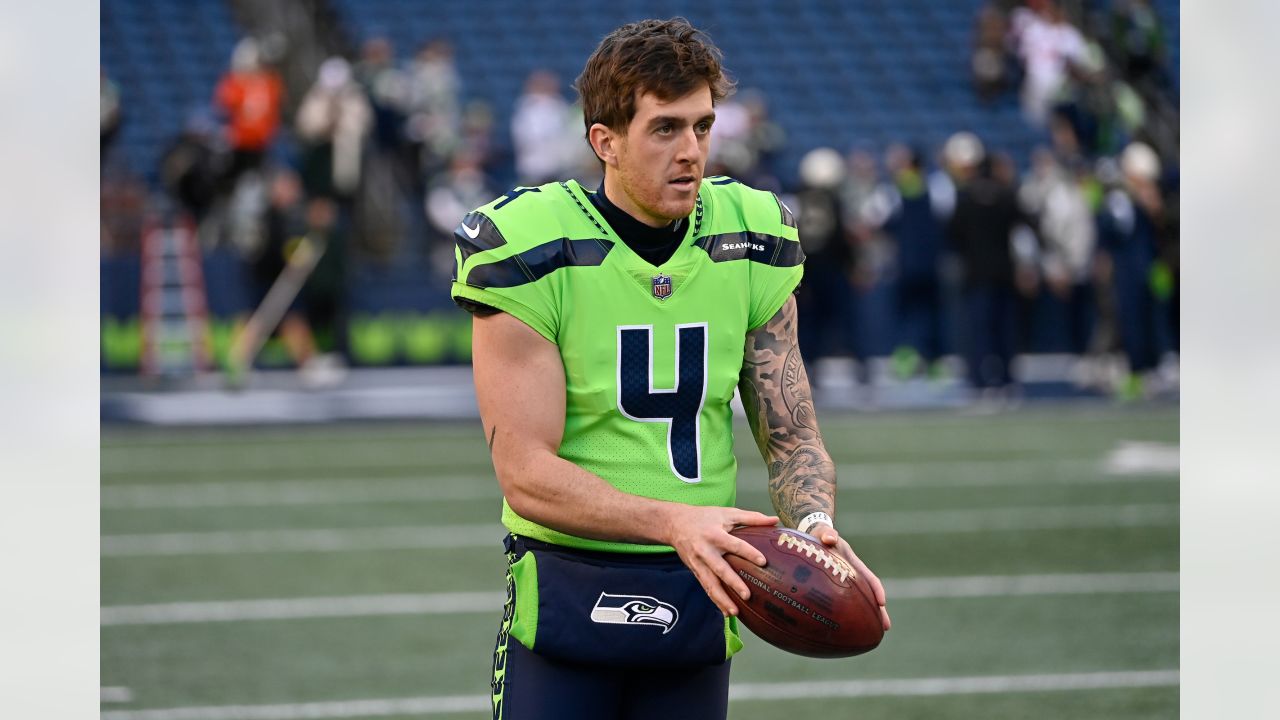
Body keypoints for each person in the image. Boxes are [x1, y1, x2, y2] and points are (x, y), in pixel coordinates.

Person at [449, 18, 890, 719]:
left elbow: (791, 428)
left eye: (703, 126)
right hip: (569, 588)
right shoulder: (530, 245)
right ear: (606, 141)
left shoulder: (749, 234)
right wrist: (673, 521)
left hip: (701, 592)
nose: (692, 152)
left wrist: (812, 523)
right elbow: (526, 474)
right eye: (665, 129)